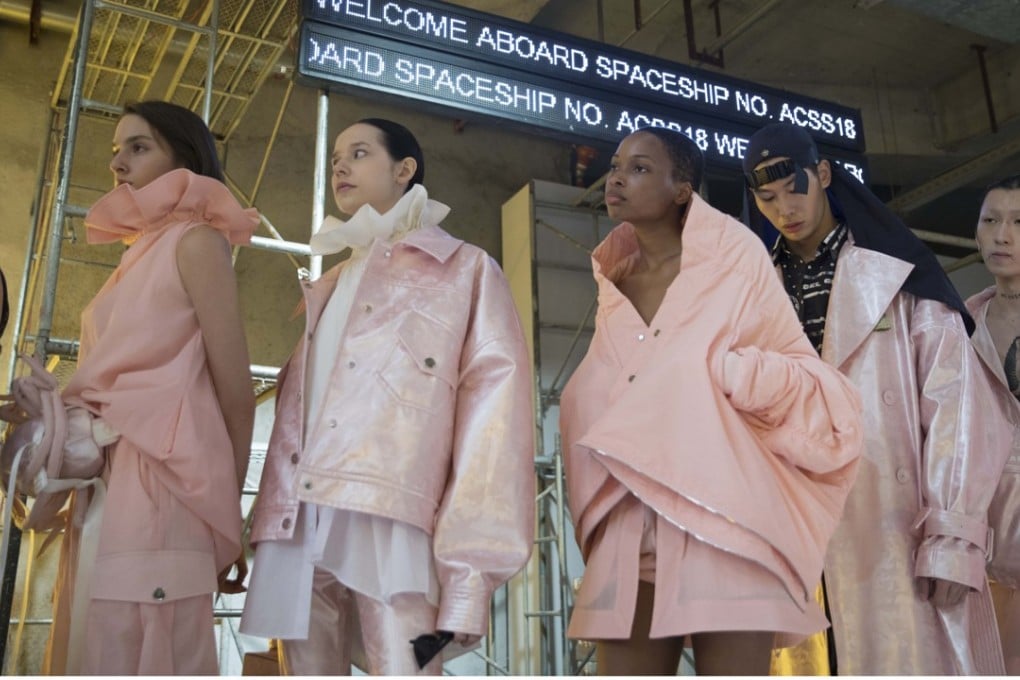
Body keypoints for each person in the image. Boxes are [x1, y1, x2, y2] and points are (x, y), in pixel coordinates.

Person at [559, 126, 863, 675]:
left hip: (723, 514)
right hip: (633, 514)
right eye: (616, 165)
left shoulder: (735, 255)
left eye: (641, 167)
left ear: (683, 189)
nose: (618, 178)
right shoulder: (616, 279)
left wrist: (727, 371)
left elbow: (800, 370)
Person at [240, 118, 535, 675]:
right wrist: (263, 517)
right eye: (335, 159)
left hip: (391, 518)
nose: (341, 168)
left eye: (359, 153)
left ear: (405, 170)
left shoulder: (465, 270)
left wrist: (469, 573)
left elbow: (495, 425)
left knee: (404, 665)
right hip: (301, 518)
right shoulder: (329, 286)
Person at [744, 122, 1008, 675]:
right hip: (796, 529)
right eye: (766, 199)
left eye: (796, 190)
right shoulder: (754, 291)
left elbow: (954, 405)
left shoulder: (897, 275)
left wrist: (952, 536)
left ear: (822, 175)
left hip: (895, 527)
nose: (784, 209)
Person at [43, 101, 257, 674]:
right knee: (97, 637)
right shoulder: (139, 251)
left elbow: (237, 394)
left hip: (165, 477)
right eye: (116, 149)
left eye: (138, 147)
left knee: (143, 640)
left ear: (183, 157)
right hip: (108, 474)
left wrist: (229, 520)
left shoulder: (197, 242)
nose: (118, 163)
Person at [966, 174, 1020, 675]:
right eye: (991, 221)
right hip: (984, 548)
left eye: (1018, 222)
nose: (1003, 235)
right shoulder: (958, 327)